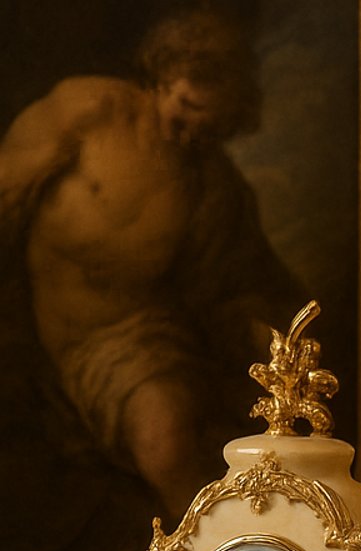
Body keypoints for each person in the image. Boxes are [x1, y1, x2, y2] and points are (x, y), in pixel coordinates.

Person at [0, 9, 304, 516]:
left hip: (127, 339)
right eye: (183, 110)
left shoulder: (209, 184)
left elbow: (235, 282)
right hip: (29, 318)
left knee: (168, 444)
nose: (186, 136)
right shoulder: (87, 110)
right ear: (162, 76)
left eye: (205, 129)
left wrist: (268, 334)